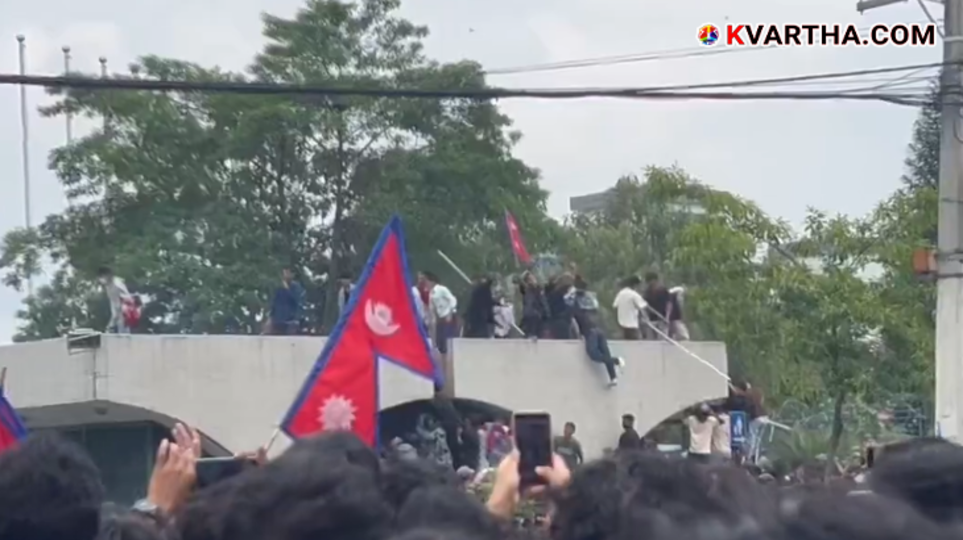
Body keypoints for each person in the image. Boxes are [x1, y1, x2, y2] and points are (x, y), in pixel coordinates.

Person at [567, 275, 624, 386]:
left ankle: (615, 361)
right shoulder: (590, 301)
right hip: (599, 328)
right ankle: (613, 377)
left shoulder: (575, 304)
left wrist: (578, 335)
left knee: (593, 353)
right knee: (605, 351)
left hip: (589, 331)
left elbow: (574, 321)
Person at [423, 271, 458, 355]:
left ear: (432, 281)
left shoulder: (441, 289)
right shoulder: (431, 293)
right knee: (439, 343)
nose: (425, 284)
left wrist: (450, 311)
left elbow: (452, 299)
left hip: (447, 317)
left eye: (426, 281)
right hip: (440, 319)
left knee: (446, 341)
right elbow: (432, 308)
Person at [267, 266, 303, 335]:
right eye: (284, 273)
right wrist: (271, 317)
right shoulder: (279, 287)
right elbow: (274, 302)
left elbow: (296, 300)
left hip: (291, 320)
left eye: (287, 273)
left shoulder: (296, 287)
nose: (285, 275)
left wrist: (287, 289)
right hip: (278, 320)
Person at [97, 266, 134, 334]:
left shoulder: (117, 284)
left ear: (107, 276)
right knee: (117, 325)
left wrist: (120, 309)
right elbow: (112, 301)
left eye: (102, 277)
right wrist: (114, 316)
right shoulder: (108, 286)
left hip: (124, 309)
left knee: (123, 326)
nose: (101, 280)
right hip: (117, 309)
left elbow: (127, 297)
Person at [612, 275, 647, 339]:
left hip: (622, 326)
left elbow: (615, 307)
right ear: (635, 285)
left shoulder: (621, 293)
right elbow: (643, 308)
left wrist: (617, 321)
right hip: (633, 326)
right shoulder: (634, 294)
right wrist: (646, 320)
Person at [518, 271, 547, 339]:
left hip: (537, 318)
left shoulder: (538, 289)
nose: (533, 280)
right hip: (532, 318)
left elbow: (543, 303)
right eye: (530, 279)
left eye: (533, 278)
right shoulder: (528, 291)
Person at [545, 273, 575, 339]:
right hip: (558, 322)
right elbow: (555, 310)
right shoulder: (555, 295)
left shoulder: (561, 295)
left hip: (564, 320)